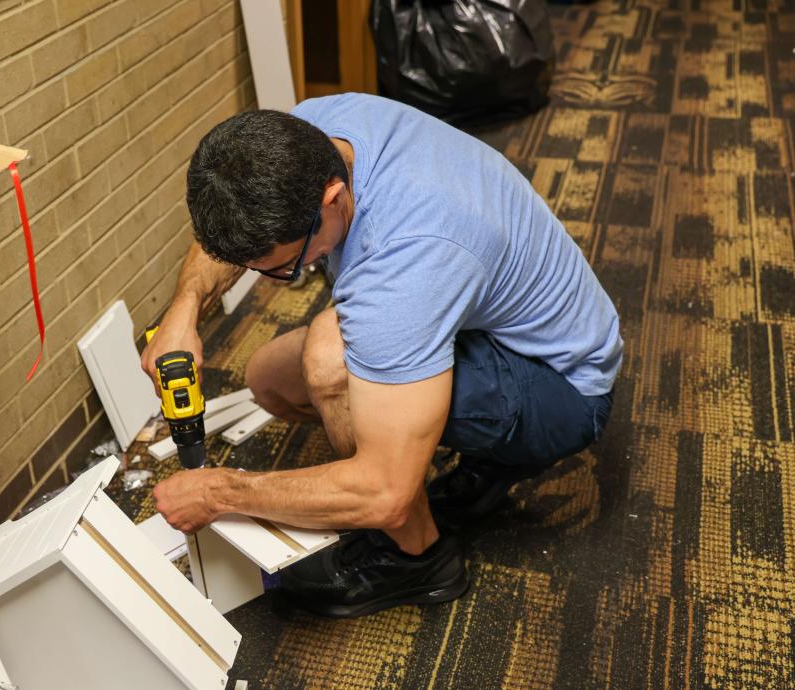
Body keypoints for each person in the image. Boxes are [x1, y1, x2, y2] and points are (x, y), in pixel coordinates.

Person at [141, 94, 622, 619]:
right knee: (269, 379)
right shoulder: (310, 133)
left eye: (284, 266)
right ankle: (466, 454)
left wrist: (219, 492)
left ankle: (416, 558)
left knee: (330, 362)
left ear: (331, 198)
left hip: (563, 388)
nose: (278, 277)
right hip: (497, 320)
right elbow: (227, 242)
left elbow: (386, 492)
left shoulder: (406, 260)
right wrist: (182, 312)